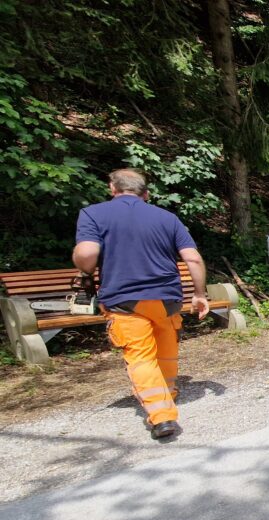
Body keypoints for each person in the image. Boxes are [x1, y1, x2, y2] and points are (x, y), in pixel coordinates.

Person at [72, 168, 210, 440]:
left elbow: (87, 254)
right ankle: (166, 393)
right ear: (145, 194)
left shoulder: (93, 214)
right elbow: (192, 259)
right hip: (167, 298)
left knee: (141, 356)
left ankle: (162, 417)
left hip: (125, 299)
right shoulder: (166, 217)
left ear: (112, 189)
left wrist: (82, 266)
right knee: (166, 349)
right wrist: (199, 293)